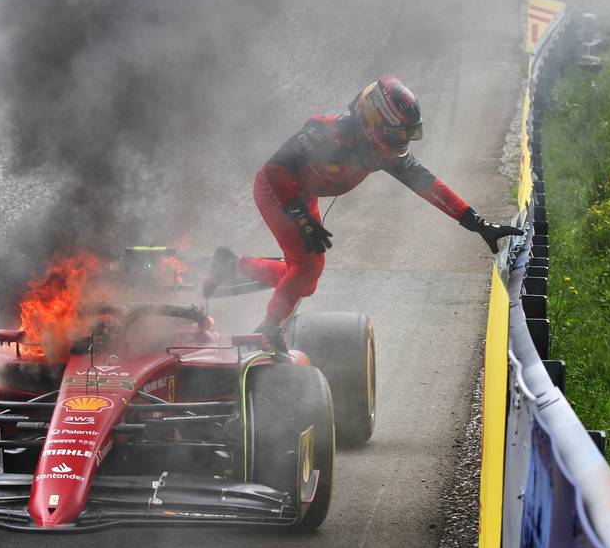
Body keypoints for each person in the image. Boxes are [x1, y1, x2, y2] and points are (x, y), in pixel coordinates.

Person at [204, 75, 522, 356]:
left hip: (304, 194)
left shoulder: (380, 148)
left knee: (305, 281)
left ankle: (231, 266)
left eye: (409, 134)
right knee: (308, 267)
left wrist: (479, 225)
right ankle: (268, 330)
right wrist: (300, 216)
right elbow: (274, 170)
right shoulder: (325, 132)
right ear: (373, 121)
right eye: (398, 134)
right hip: (277, 190)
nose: (403, 143)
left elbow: (430, 186)